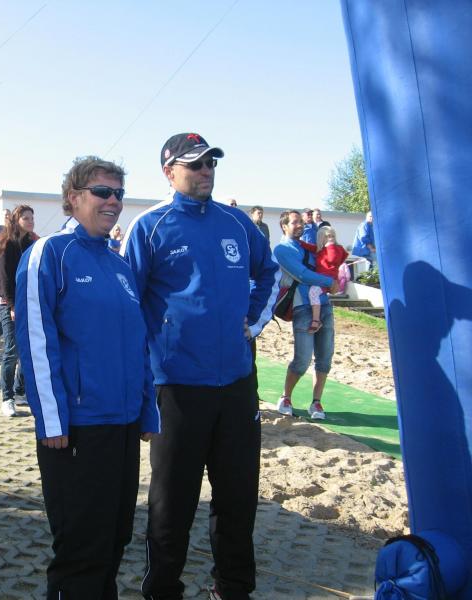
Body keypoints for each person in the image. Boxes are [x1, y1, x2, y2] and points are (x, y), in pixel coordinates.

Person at [122, 132, 279, 600]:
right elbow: (127, 304)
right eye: (195, 164)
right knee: (172, 502)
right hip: (176, 387)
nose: (206, 171)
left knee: (238, 498)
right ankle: (162, 589)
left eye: (210, 162)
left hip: (237, 384)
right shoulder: (149, 227)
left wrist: (254, 321)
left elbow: (270, 272)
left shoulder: (236, 222)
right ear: (169, 172)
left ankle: (232, 589)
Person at [16, 155, 160, 599]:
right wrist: (52, 419)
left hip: (122, 425)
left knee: (115, 538)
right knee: (81, 549)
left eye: (119, 193)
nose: (113, 201)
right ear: (73, 197)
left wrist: (148, 411)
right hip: (77, 428)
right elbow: (36, 341)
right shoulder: (49, 253)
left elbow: (138, 343)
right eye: (102, 192)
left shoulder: (119, 265)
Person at [273, 210, 339, 422]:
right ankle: (286, 397)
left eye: (301, 221)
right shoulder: (282, 249)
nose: (300, 225)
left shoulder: (307, 247)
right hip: (302, 306)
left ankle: (316, 401)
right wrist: (329, 282)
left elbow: (325, 265)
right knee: (302, 359)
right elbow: (302, 275)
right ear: (284, 226)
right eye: (295, 222)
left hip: (324, 304)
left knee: (325, 357)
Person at [0, 204, 35, 417]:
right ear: (16, 220)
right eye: (26, 218)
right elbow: (5, 279)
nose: (30, 221)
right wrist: (11, 305)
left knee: (28, 349)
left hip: (28, 302)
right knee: (12, 351)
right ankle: (7, 398)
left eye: (32, 217)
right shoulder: (7, 243)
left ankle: (20, 391)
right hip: (8, 303)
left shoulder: (33, 243)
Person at [300, 226, 349, 333]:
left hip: (329, 278)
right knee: (314, 293)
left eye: (332, 236)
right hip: (321, 278)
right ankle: (316, 318)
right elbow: (311, 247)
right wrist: (300, 242)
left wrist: (330, 246)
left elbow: (332, 259)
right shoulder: (321, 249)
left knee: (313, 292)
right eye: (327, 236)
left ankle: (316, 320)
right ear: (321, 238)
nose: (330, 238)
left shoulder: (336, 248)